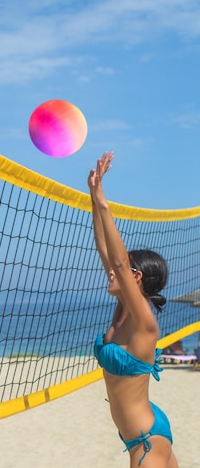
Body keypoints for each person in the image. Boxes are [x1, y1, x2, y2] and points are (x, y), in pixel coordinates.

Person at [88, 151, 178, 467]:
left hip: (146, 440)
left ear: (135, 277)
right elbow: (105, 249)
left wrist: (103, 202)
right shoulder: (121, 308)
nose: (110, 272)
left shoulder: (145, 324)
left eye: (121, 272)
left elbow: (119, 264)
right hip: (141, 431)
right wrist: (92, 195)